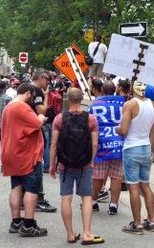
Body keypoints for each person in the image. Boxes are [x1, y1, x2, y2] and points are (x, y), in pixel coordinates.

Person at [49, 88, 104, 245]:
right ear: (81, 99)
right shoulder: (91, 119)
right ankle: (87, 234)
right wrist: (91, 161)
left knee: (66, 198)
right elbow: (94, 143)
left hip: (64, 165)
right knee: (86, 197)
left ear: (68, 99)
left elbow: (53, 144)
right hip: (84, 164)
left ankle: (70, 234)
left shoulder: (59, 119)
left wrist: (53, 164)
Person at [1, 83, 48, 237]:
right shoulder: (21, 107)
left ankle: (16, 221)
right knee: (31, 188)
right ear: (29, 93)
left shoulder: (9, 106)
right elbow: (36, 123)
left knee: (16, 186)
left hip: (12, 152)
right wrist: (41, 116)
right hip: (26, 154)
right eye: (32, 96)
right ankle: (28, 224)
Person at [117, 81, 154, 234]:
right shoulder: (153, 105)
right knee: (146, 186)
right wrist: (152, 150)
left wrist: (117, 129)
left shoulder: (129, 105)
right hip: (146, 148)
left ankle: (137, 223)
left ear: (133, 90)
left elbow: (124, 130)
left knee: (133, 187)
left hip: (132, 148)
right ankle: (151, 220)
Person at [89, 80, 124, 215]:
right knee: (116, 176)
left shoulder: (94, 105)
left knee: (97, 176)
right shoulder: (124, 104)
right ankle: (114, 204)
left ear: (102, 90)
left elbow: (90, 124)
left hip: (101, 143)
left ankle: (93, 201)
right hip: (118, 143)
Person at [30, 70, 57, 212]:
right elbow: (42, 111)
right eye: (47, 79)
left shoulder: (26, 88)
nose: (49, 82)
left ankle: (26, 198)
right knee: (37, 166)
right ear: (40, 77)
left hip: (26, 132)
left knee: (28, 168)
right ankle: (39, 199)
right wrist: (46, 96)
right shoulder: (37, 91)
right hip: (35, 131)